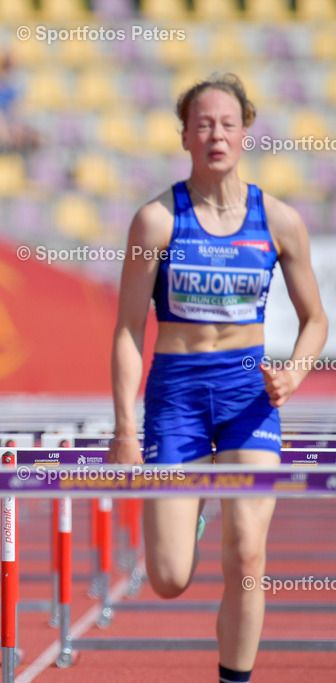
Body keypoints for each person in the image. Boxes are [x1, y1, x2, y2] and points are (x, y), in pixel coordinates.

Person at [108, 74, 328, 683]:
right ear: (184, 135)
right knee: (170, 578)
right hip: (176, 396)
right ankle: (191, 507)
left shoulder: (278, 221)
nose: (215, 134)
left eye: (227, 123)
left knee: (248, 555)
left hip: (247, 396)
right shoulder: (155, 221)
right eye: (202, 123)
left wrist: (295, 372)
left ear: (245, 132)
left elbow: (316, 321)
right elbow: (129, 330)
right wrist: (126, 427)